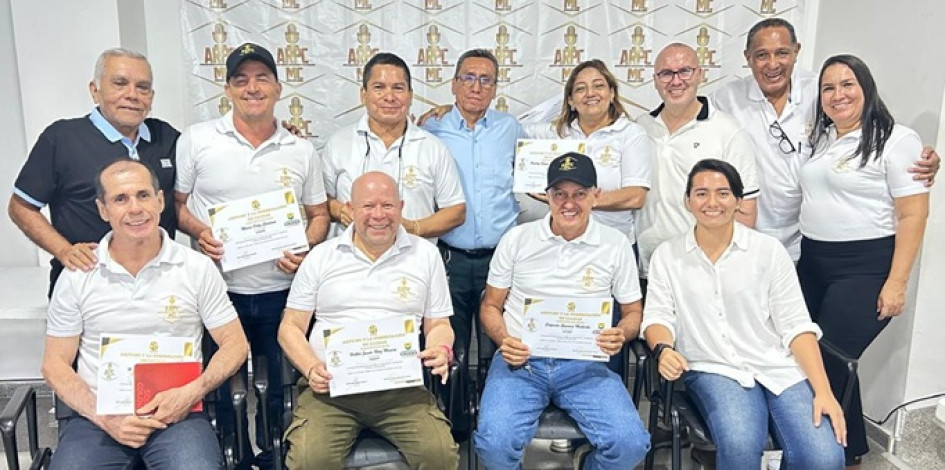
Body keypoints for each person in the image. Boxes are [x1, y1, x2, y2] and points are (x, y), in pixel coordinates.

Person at [174, 43, 330, 469]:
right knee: (223, 388)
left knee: (280, 389)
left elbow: (319, 215)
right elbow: (177, 206)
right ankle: (232, 455)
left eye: (262, 78)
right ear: (226, 89)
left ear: (278, 88)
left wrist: (306, 246)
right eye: (241, 80)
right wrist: (200, 232)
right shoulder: (198, 139)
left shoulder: (301, 150)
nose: (252, 88)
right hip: (218, 293)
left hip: (283, 292)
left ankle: (274, 454)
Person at [41, 159, 248, 470]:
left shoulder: (196, 268)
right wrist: (105, 417)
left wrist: (192, 391)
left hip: (178, 414)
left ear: (160, 200)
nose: (134, 208)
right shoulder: (78, 274)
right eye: (120, 199)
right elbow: (54, 364)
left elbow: (236, 345)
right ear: (102, 209)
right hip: (99, 416)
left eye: (143, 195)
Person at [643, 158, 845, 470]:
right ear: (687, 201)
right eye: (701, 193)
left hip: (777, 366)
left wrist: (823, 391)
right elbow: (657, 316)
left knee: (825, 459)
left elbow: (796, 326)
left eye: (723, 193)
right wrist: (663, 349)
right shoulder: (667, 256)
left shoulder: (768, 251)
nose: (712, 202)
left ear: (739, 201)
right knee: (739, 447)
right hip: (713, 367)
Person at [474, 152, 650, 469]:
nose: (569, 203)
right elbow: (490, 305)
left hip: (585, 365)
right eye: (560, 194)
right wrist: (504, 341)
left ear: (595, 195)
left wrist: (621, 334)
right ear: (547, 196)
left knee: (630, 444)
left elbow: (633, 313)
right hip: (521, 363)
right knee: (494, 445)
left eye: (579, 194)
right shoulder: (517, 239)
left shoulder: (615, 244)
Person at [710, 18, 940, 260]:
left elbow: (873, 129)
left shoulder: (821, 90)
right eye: (761, 55)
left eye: (782, 53)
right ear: (747, 58)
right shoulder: (725, 101)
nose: (773, 64)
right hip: (749, 234)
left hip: (810, 240)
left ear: (796, 51)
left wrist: (919, 157)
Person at [797, 54, 930, 468]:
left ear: (866, 88)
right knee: (818, 360)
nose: (838, 94)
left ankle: (811, 458)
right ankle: (849, 451)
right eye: (828, 87)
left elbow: (913, 214)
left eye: (847, 84)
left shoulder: (896, 139)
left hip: (864, 266)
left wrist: (897, 282)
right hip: (813, 261)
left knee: (827, 364)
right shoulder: (824, 139)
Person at [278, 171, 458, 469]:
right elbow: (290, 327)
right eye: (368, 206)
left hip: (401, 390)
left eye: (387, 206)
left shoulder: (426, 255)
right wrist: (311, 368)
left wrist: (441, 350)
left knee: (439, 454)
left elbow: (438, 324)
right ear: (350, 209)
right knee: (311, 459)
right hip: (331, 391)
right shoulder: (322, 257)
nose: (378, 215)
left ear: (401, 207)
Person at [8, 48, 179, 295]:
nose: (132, 95)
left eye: (142, 87)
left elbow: (176, 204)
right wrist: (64, 250)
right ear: (94, 90)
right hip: (86, 285)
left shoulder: (166, 138)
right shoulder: (62, 138)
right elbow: (20, 207)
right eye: (120, 83)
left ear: (151, 97)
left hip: (159, 287)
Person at [420, 48, 522, 436]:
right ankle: (454, 426)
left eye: (486, 79)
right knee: (452, 346)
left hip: (502, 257)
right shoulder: (431, 129)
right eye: (468, 78)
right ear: (453, 84)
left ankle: (498, 422)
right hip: (450, 257)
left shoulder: (512, 129)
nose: (476, 86)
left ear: (495, 87)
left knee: (500, 344)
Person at [635, 43, 759, 281]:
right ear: (655, 80)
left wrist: (729, 265)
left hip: (706, 270)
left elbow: (746, 209)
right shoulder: (640, 128)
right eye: (666, 74)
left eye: (685, 71)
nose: (676, 81)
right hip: (647, 269)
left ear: (700, 74)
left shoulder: (727, 130)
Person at [323, 52, 465, 243]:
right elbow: (320, 201)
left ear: (411, 96)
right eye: (379, 88)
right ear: (363, 94)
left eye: (398, 88)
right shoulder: (339, 143)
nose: (389, 97)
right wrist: (340, 211)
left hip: (414, 261)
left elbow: (455, 211)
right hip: (351, 262)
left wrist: (415, 228)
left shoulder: (433, 147)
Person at [522, 59, 653, 246]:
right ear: (570, 100)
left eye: (598, 86)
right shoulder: (553, 133)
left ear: (612, 93)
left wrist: (578, 201)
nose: (590, 93)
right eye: (580, 89)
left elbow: (635, 196)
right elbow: (508, 133)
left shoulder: (631, 133)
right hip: (562, 242)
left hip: (613, 244)